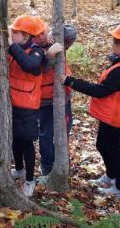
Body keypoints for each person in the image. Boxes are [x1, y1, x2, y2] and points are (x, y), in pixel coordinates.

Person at [61, 22, 120, 200]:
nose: (113, 44)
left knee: (115, 151)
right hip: (112, 114)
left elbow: (100, 91)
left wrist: (71, 82)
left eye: (117, 42)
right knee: (102, 145)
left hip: (118, 117)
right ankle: (111, 175)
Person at [32, 22, 77, 176]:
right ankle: (47, 167)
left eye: (44, 32)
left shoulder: (54, 42)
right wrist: (49, 53)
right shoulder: (33, 50)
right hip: (45, 100)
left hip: (63, 96)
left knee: (65, 129)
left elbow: (71, 34)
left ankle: (61, 162)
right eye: (37, 35)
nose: (42, 36)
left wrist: (55, 37)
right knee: (46, 134)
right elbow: (44, 66)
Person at [8, 15, 45, 197]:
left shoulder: (37, 51)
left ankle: (30, 180)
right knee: (15, 140)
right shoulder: (14, 50)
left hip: (28, 108)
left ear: (27, 36)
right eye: (12, 32)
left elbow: (30, 66)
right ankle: (20, 169)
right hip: (11, 105)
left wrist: (11, 46)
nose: (12, 35)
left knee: (27, 143)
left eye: (16, 33)